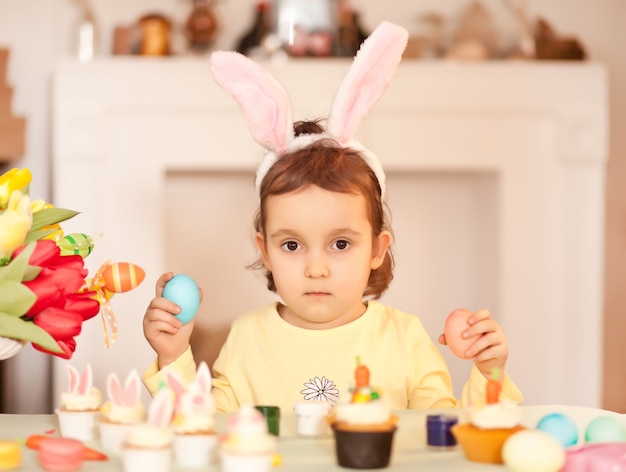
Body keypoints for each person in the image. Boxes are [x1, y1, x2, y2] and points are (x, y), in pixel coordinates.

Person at [141, 21, 522, 412]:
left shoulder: (404, 338)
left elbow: (445, 437)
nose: (316, 269)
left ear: (377, 248)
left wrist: (490, 372)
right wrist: (173, 357)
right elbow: (202, 427)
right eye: (292, 245)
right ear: (265, 250)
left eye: (340, 243)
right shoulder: (247, 337)